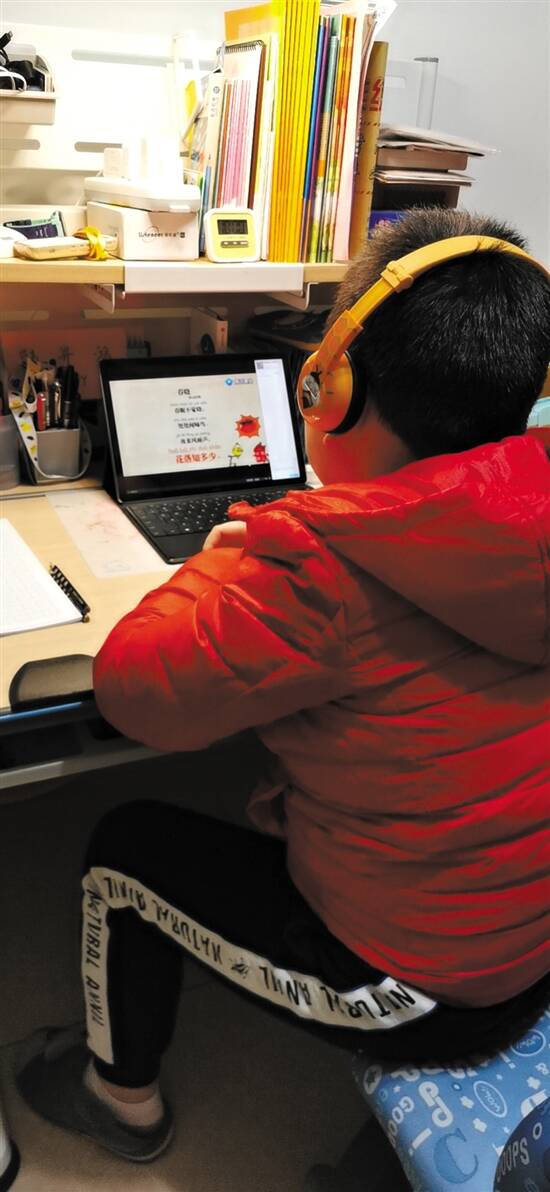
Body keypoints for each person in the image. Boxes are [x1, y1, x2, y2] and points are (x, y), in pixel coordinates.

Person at [17, 208, 550, 1164]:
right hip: (529, 941)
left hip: (423, 992)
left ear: (329, 389)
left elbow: (133, 691)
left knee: (124, 848)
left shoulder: (315, 568)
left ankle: (118, 1100)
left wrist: (227, 561)